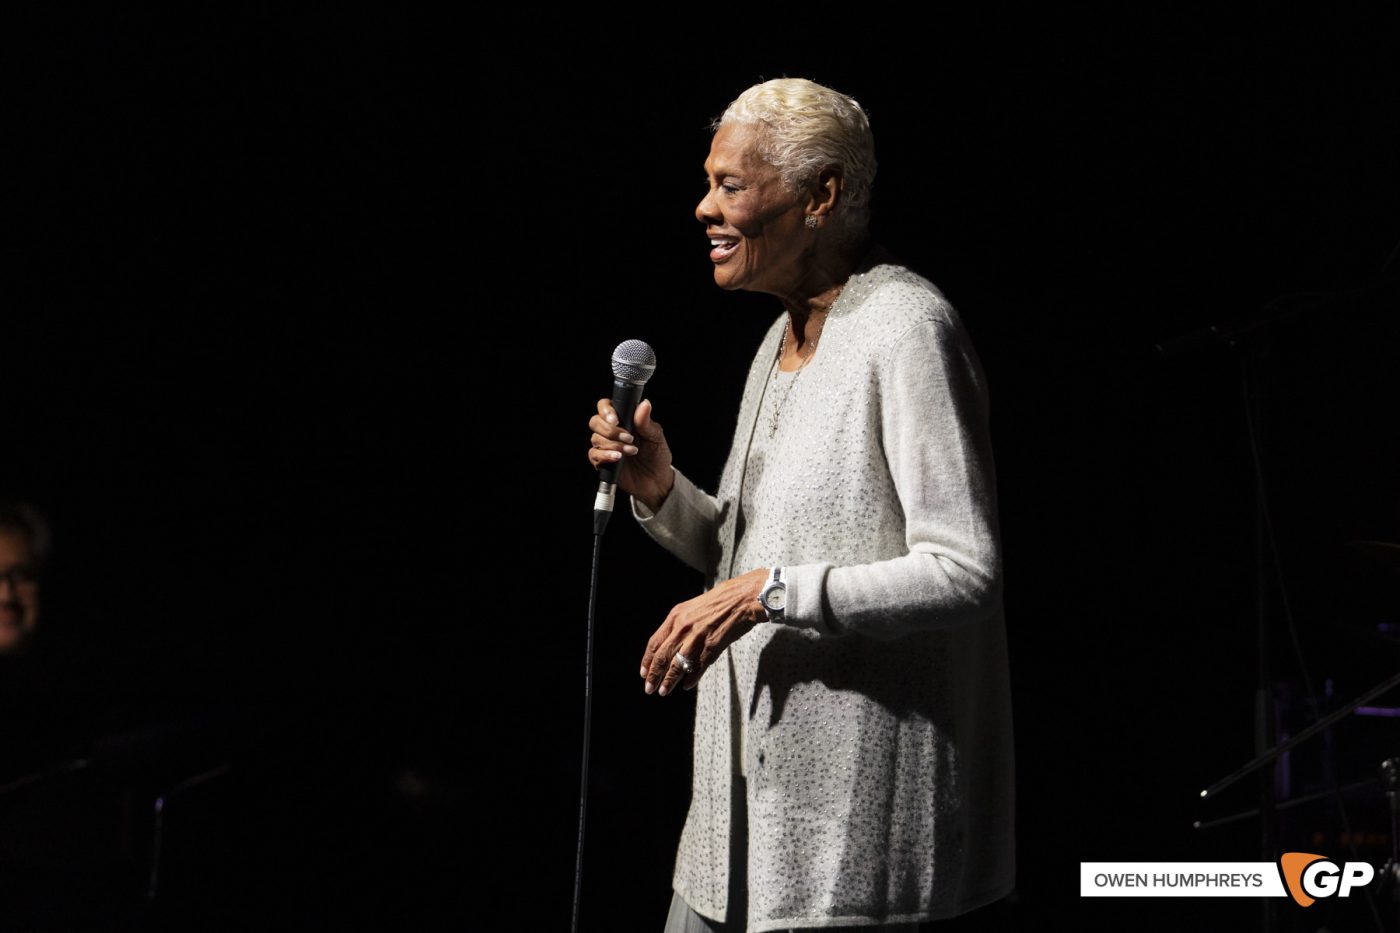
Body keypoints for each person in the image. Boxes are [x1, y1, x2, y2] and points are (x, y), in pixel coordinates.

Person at [586, 78, 1014, 932]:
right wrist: (664, 494)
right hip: (729, 825)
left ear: (820, 195)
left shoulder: (905, 327)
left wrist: (764, 592)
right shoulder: (774, 340)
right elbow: (751, 553)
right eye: (710, 182)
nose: (704, 207)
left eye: (731, 186)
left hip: (849, 835)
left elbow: (964, 569)